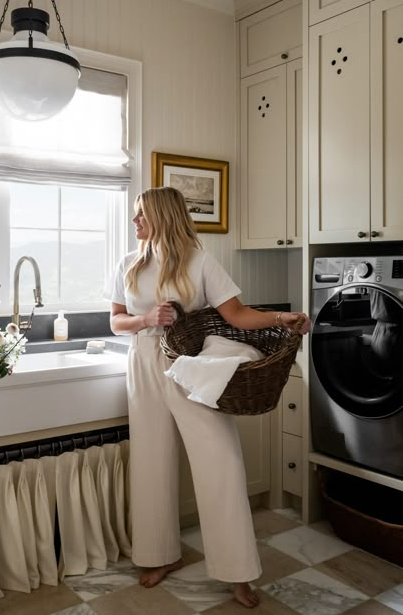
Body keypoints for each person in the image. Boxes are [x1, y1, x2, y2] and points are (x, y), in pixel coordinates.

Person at [110, 186, 311, 609]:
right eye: (134, 215)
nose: (135, 223)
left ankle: (237, 573)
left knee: (221, 461)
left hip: (191, 366)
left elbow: (236, 314)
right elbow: (115, 322)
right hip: (143, 362)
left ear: (163, 216)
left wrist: (281, 317)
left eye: (141, 214)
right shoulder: (127, 264)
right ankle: (158, 555)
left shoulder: (200, 261)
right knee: (151, 459)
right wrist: (146, 318)